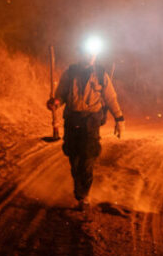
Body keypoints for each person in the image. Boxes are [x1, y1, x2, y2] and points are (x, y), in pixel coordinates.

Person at [46, 48, 125, 209]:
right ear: (80, 55)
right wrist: (55, 103)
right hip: (72, 120)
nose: (89, 57)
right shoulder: (70, 73)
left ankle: (85, 196)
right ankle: (79, 188)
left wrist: (119, 118)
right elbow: (61, 95)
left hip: (91, 122)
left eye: (92, 54)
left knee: (88, 159)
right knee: (74, 160)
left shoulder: (101, 75)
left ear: (95, 56)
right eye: (86, 54)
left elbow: (111, 98)